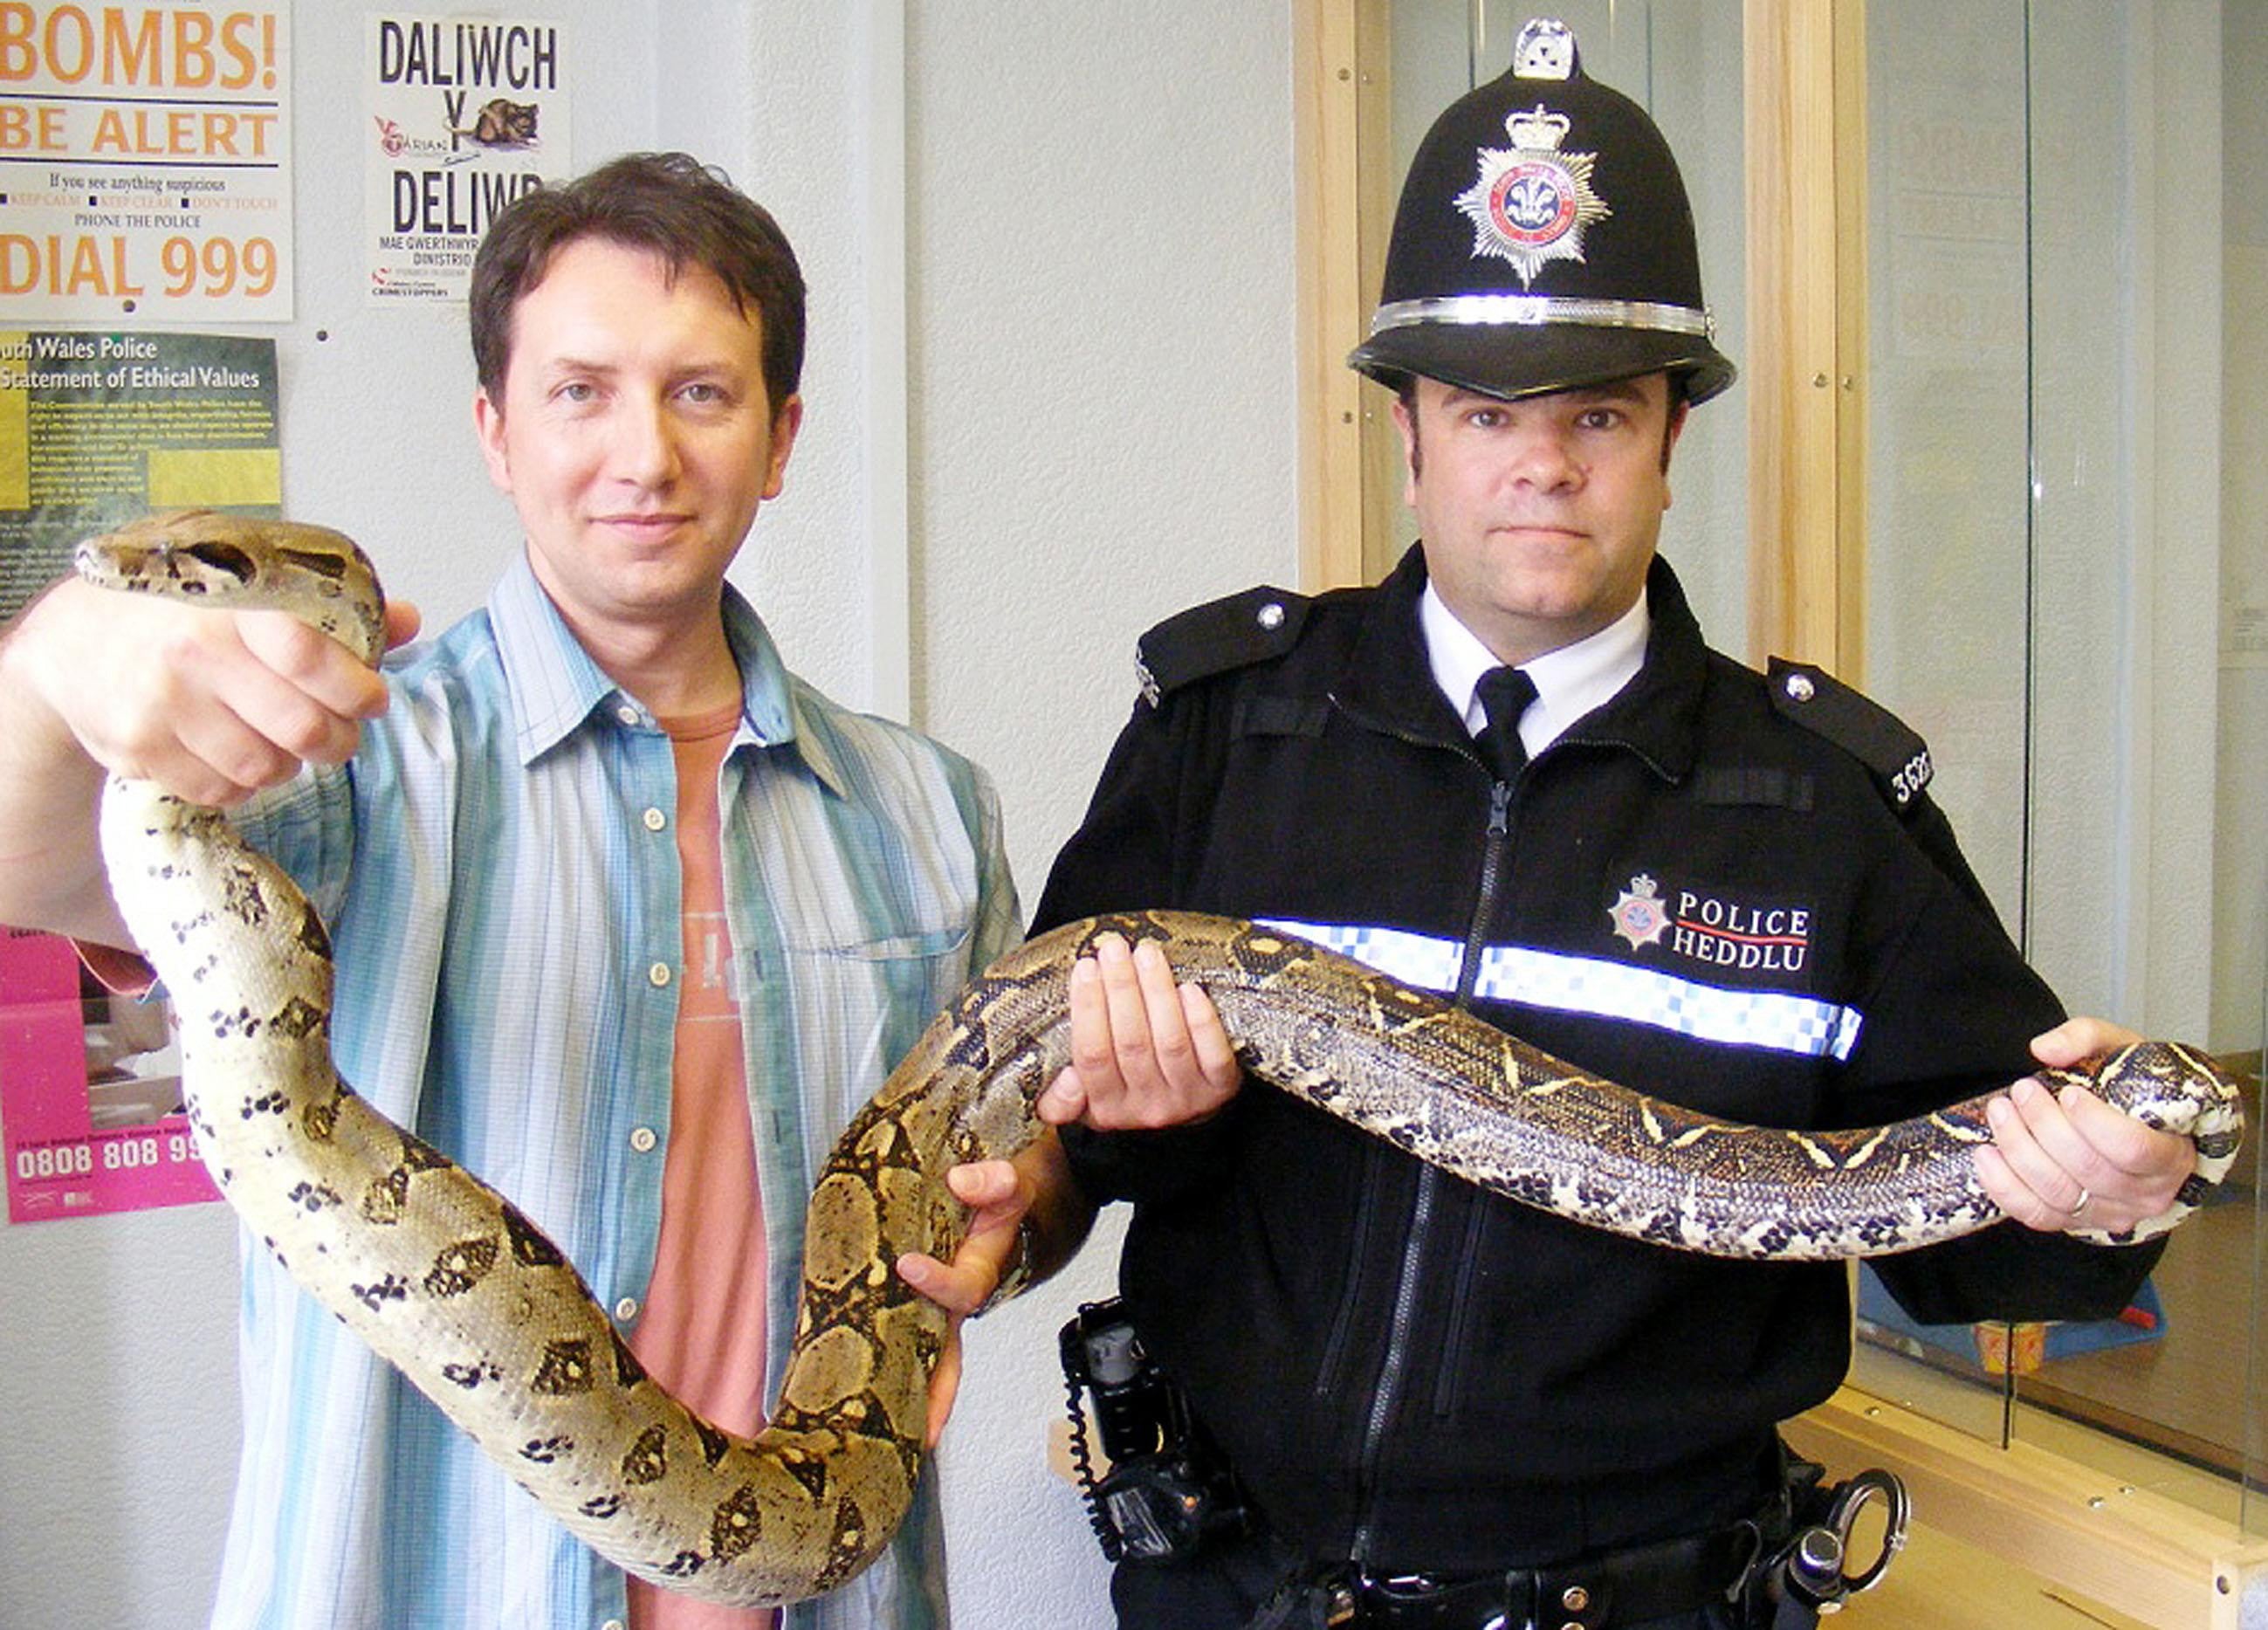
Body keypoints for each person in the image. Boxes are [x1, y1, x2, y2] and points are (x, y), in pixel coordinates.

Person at [987, 20, 2201, 1630]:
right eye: (1485, 416)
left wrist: (2119, 1196)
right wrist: (1129, 1130)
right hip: (1233, 1584)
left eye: (1598, 416)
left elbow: (1983, 1250)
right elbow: (1045, 1167)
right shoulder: (1222, 730)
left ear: (1671, 442)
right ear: (1406, 434)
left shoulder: (1822, 804)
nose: (1540, 468)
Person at [0, 153, 1040, 1630]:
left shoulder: (929, 812)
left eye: (700, 392)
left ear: (780, 433)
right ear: (494, 430)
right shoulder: (331, 765)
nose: (643, 457)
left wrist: (1029, 1214)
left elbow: (1007, 1173)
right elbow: (23, 855)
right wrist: (59, 666)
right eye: (580, 392)